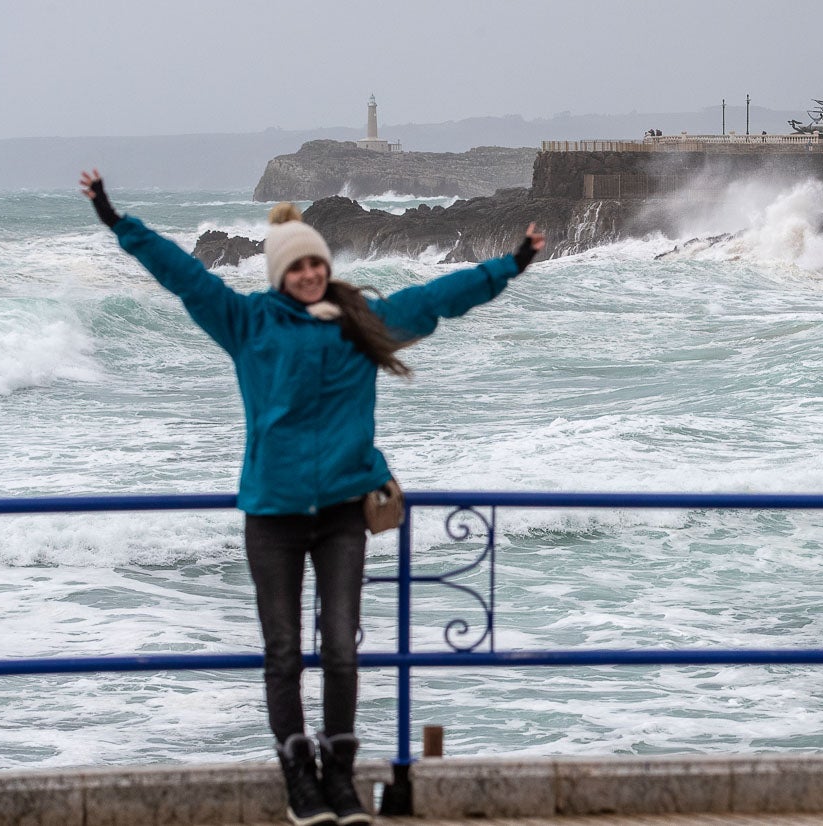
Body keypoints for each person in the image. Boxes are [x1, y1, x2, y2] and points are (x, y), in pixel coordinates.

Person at [79, 170, 545, 826]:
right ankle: (298, 778)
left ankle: (340, 779)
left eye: (315, 263)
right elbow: (183, 277)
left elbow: (438, 297)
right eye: (295, 266)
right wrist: (114, 218)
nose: (307, 275)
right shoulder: (245, 323)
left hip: (341, 516)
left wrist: (511, 264)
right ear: (278, 273)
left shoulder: (360, 321)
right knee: (282, 651)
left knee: (341, 649)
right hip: (271, 514)